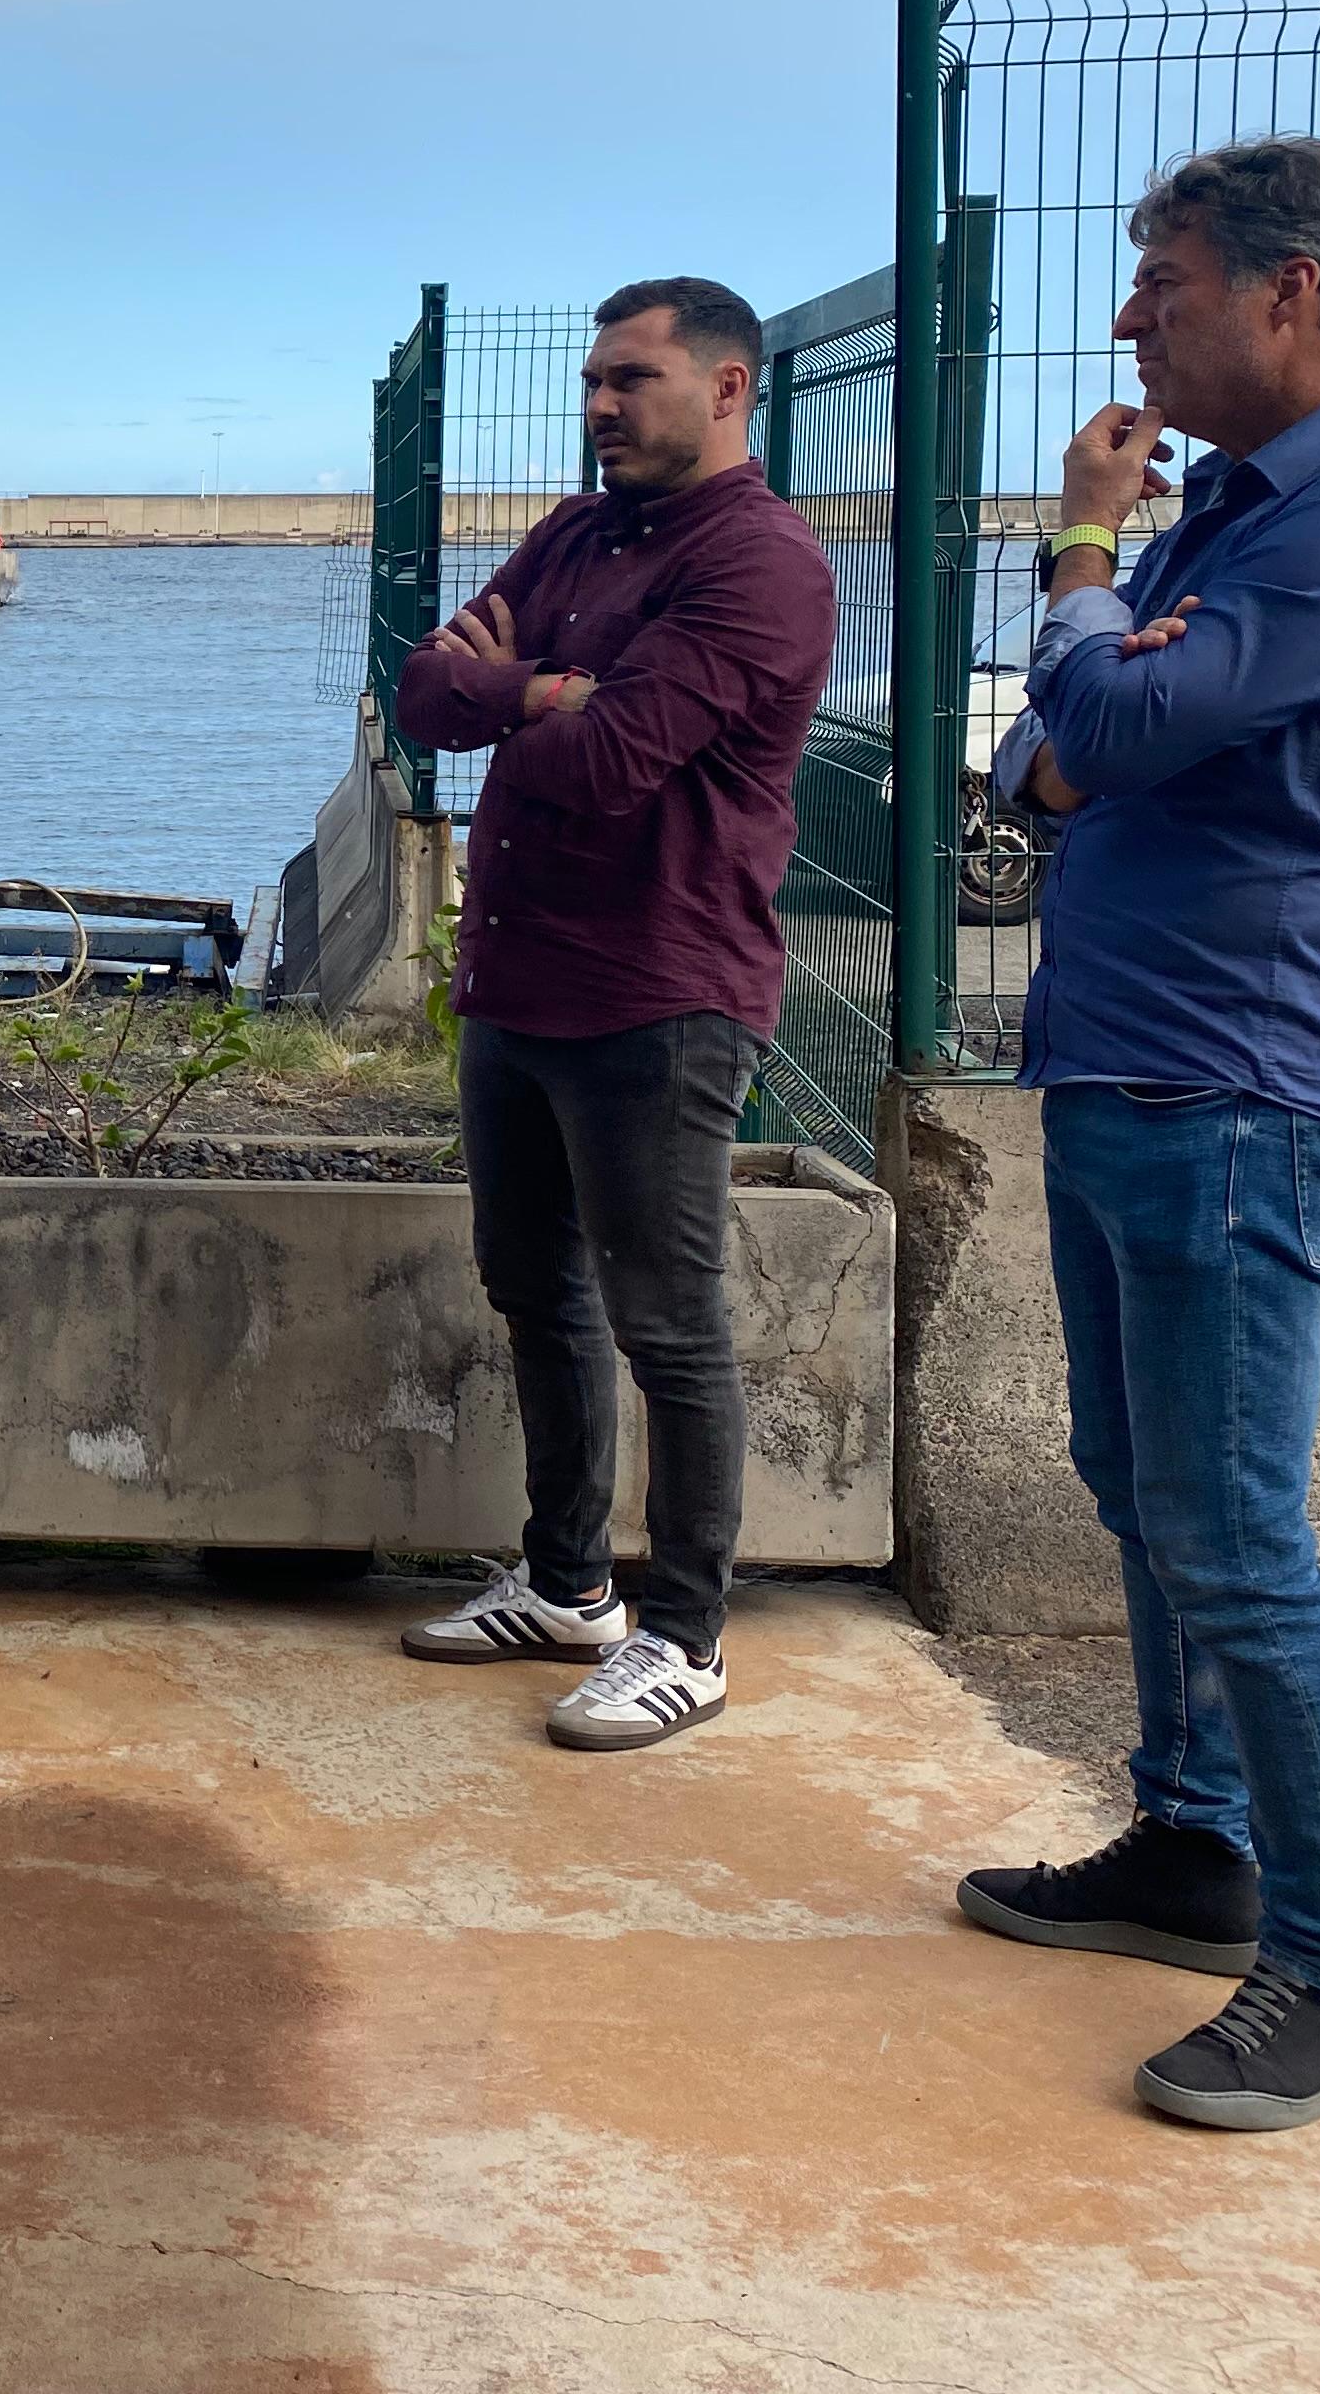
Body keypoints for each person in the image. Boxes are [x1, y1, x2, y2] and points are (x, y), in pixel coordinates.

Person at [955, 136, 1320, 2135]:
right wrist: (1103, 680)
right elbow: (1039, 760)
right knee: (1139, 1485)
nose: (1126, 322)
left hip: (1247, 1089)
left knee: (1236, 1538)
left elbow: (1112, 735)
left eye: (1159, 281)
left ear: (1286, 293)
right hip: (1135, 1066)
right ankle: (1188, 1846)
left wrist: (1083, 567)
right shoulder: (1249, 517)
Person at [386, 278, 836, 1752]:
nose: (598, 406)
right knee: (534, 1288)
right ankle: (571, 1583)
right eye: (593, 380)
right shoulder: (584, 532)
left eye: (630, 380)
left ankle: (688, 1635)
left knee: (669, 1322)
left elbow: (612, 758)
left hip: (660, 992)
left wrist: (512, 692)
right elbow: (423, 697)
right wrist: (536, 688)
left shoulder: (761, 563)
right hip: (518, 981)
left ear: (725, 389)